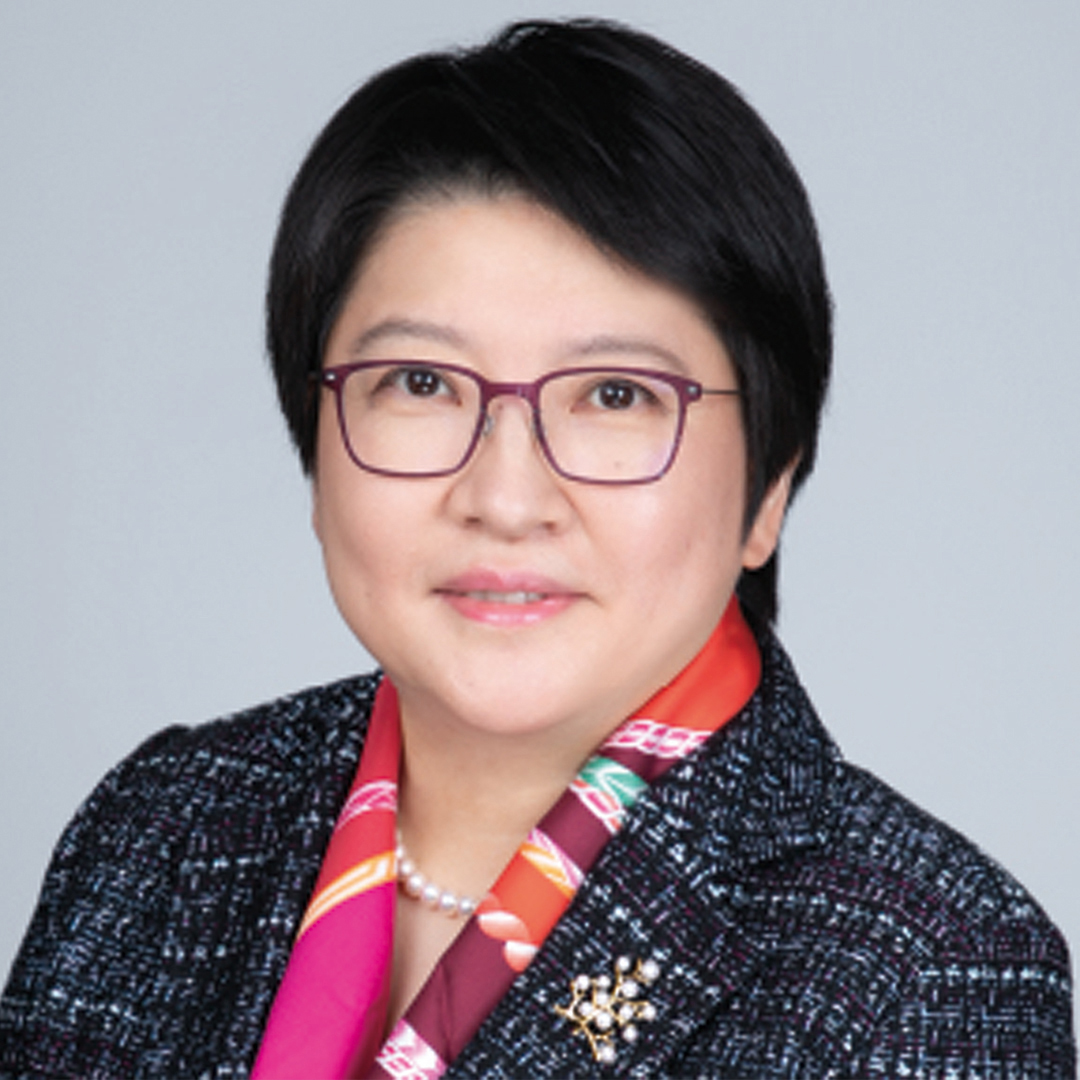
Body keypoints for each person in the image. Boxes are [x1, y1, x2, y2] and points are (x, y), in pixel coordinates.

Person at [0, 17, 1074, 1078]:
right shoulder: (165, 828)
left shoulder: (928, 967)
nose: (506, 500)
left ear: (769, 488)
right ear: (316, 447)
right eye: (420, 383)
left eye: (615, 396)